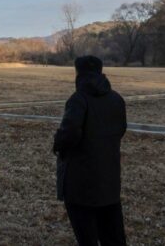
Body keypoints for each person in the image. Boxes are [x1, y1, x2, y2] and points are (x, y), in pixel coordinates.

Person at [52, 55, 128, 246]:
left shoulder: (78, 99)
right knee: (114, 236)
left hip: (80, 184)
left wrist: (58, 145)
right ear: (100, 72)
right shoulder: (117, 99)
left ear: (78, 73)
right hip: (109, 180)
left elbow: (69, 133)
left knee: (87, 238)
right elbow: (121, 129)